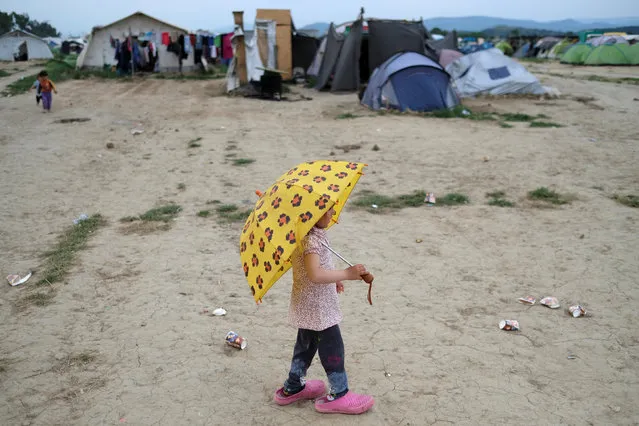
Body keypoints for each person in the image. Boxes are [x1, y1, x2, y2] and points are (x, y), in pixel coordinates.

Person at [273, 205, 375, 415]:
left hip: (310, 302)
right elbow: (314, 274)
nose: (331, 213)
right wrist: (346, 274)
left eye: (331, 208)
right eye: (325, 210)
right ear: (309, 215)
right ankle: (339, 394)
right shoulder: (310, 240)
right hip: (318, 307)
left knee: (306, 344)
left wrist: (334, 280)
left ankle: (293, 386)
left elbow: (319, 269)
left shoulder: (311, 234)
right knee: (332, 346)